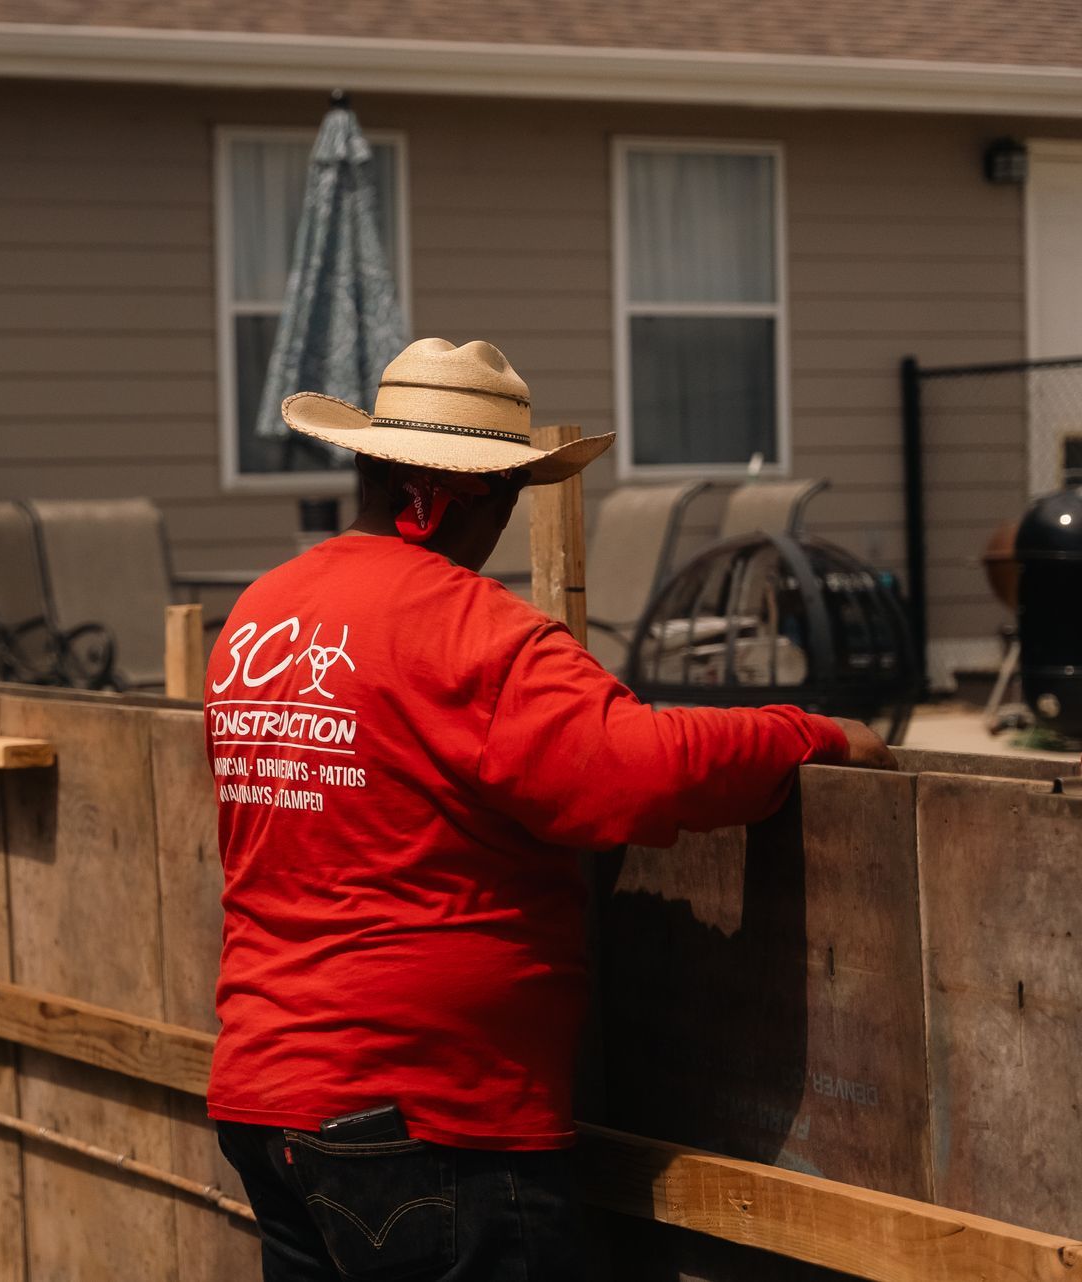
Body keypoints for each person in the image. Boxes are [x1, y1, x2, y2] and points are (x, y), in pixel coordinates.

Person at [205, 338, 895, 1282]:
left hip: (266, 1095)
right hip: (428, 1116)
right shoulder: (471, 631)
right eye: (510, 494)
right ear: (462, 497)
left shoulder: (260, 615)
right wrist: (805, 733)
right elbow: (635, 771)